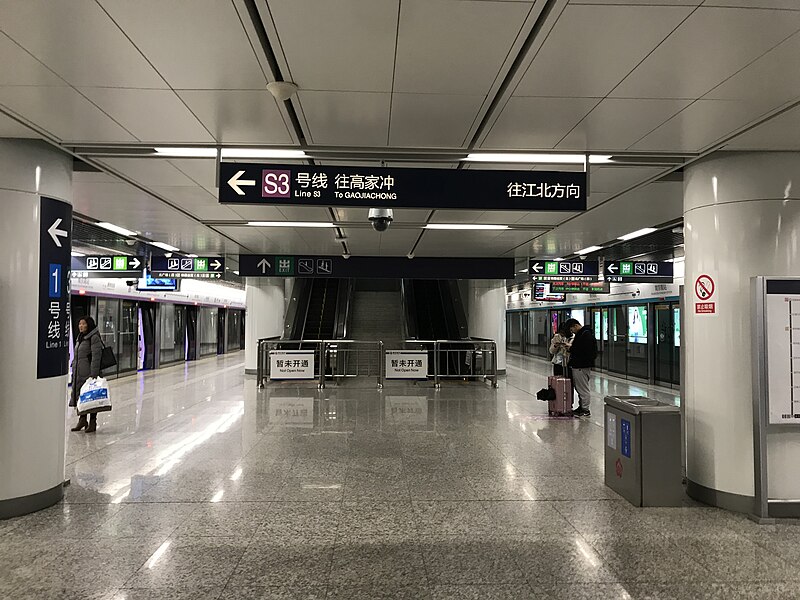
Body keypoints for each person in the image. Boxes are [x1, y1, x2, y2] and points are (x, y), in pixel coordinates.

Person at [70, 316, 103, 433]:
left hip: (89, 373)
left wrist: (94, 374)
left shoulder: (94, 337)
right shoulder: (80, 337)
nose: (81, 326)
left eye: (83, 324)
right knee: (81, 397)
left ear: (89, 325)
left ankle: (93, 422)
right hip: (79, 373)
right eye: (79, 324)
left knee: (92, 397)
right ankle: (82, 420)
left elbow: (96, 356)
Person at [564, 318, 597, 417]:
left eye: (571, 330)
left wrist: (570, 348)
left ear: (575, 326)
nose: (572, 332)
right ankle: (581, 407)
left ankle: (585, 409)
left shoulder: (585, 335)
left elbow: (583, 351)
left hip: (581, 366)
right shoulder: (583, 334)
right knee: (580, 388)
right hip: (579, 365)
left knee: (583, 389)